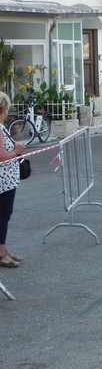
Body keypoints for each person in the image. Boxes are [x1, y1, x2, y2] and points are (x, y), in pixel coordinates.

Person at [0, 92, 25, 268]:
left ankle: (3, 249)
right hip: (3, 182)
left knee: (4, 216)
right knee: (2, 216)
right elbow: (2, 156)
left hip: (6, 181)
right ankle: (1, 254)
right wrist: (17, 151)